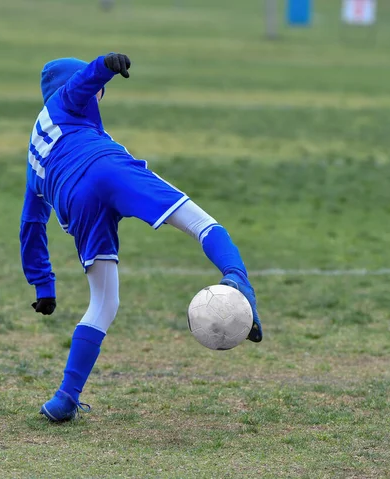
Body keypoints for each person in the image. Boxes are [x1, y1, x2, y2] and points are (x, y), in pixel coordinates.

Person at [20, 53, 263, 422]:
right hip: (105, 167)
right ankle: (240, 281)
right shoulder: (64, 101)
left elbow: (32, 223)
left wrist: (43, 285)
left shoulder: (36, 152)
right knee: (203, 225)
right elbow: (81, 83)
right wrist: (104, 65)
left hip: (74, 201)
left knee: (104, 302)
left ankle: (65, 398)